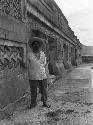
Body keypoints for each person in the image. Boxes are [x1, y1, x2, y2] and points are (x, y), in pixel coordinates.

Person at [26, 38, 51, 109]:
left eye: (37, 44)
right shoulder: (29, 55)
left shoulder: (43, 54)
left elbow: (45, 64)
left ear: (39, 46)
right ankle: (33, 103)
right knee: (33, 90)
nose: (36, 46)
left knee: (44, 90)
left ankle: (45, 102)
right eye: (34, 44)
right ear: (32, 46)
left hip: (42, 75)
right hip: (33, 75)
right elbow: (26, 65)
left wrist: (47, 76)